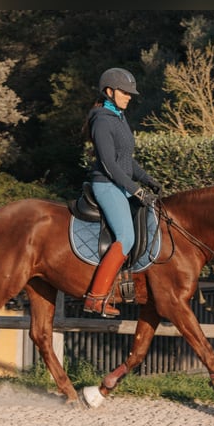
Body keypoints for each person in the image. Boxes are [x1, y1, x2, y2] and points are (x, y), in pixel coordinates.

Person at [82, 67, 162, 317]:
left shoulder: (119, 117)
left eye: (130, 93)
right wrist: (136, 191)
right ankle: (95, 298)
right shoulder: (102, 120)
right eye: (125, 92)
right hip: (106, 184)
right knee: (126, 237)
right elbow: (109, 164)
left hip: (121, 183)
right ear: (109, 92)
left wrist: (148, 179)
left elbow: (126, 160)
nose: (129, 96)